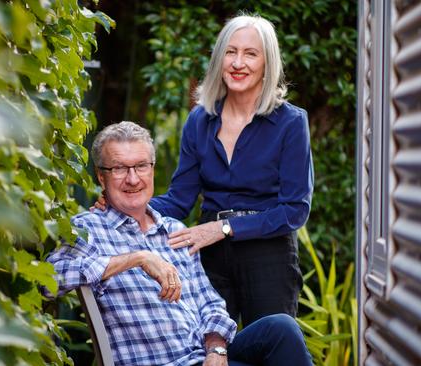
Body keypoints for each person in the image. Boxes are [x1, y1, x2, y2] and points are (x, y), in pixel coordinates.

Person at [96, 14, 314, 326]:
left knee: (270, 348)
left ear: (268, 64)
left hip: (268, 256)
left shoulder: (290, 122)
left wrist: (225, 228)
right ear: (219, 59)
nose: (238, 63)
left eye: (250, 54)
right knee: (210, 347)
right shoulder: (199, 121)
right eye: (230, 52)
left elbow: (294, 210)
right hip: (208, 256)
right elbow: (179, 200)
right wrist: (122, 204)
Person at [49, 121, 312, 366]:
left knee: (281, 328)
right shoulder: (88, 228)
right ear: (101, 176)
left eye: (141, 166)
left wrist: (216, 349)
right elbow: (47, 281)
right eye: (119, 168)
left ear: (151, 169)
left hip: (202, 358)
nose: (132, 178)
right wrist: (137, 258)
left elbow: (211, 304)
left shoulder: (174, 231)